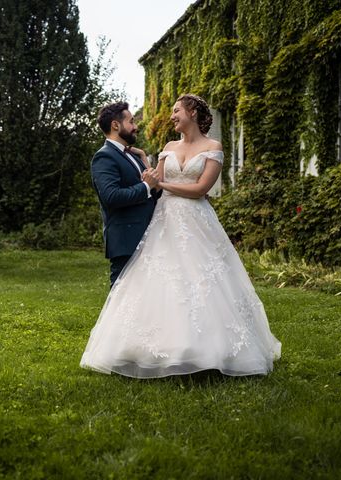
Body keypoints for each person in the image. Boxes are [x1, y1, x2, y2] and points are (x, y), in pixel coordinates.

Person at [81, 94, 281, 378]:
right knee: (160, 279)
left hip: (196, 220)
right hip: (164, 219)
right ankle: (151, 347)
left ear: (193, 112)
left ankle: (211, 350)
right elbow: (152, 182)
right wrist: (145, 162)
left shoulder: (214, 147)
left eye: (176, 111)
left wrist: (158, 182)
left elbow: (200, 189)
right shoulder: (169, 147)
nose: (172, 115)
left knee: (203, 278)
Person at [91, 102, 162, 287]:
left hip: (146, 236)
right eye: (131, 121)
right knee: (121, 302)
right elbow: (111, 197)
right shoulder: (104, 156)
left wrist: (146, 163)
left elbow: (150, 191)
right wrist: (146, 186)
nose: (136, 126)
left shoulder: (132, 155)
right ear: (116, 125)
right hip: (127, 240)